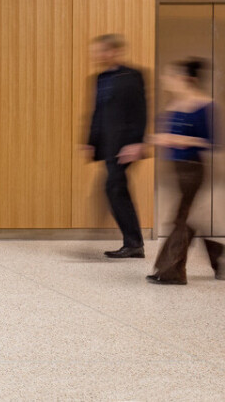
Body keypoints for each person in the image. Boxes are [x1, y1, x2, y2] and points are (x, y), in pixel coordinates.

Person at [147, 58, 222, 285]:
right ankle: (220, 258)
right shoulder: (174, 105)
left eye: (172, 75)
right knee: (189, 220)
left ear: (186, 79)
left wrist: (179, 139)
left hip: (193, 169)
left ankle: (171, 272)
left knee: (181, 220)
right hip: (175, 171)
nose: (166, 79)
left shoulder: (206, 106)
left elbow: (213, 141)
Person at [83, 34, 148, 258]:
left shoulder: (133, 76)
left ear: (114, 51)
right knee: (115, 189)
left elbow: (140, 110)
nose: (97, 55)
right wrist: (91, 142)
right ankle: (133, 242)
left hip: (125, 146)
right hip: (107, 144)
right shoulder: (100, 78)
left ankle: (134, 243)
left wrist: (136, 142)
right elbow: (96, 111)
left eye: (101, 50)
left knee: (115, 188)